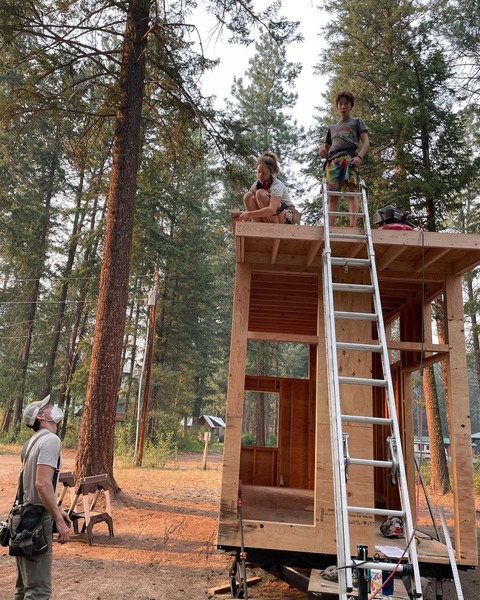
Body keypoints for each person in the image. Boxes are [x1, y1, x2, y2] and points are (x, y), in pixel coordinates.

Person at [13, 395, 71, 600]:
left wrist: (57, 509)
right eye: (48, 407)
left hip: (23, 517)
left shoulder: (31, 442)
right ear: (41, 416)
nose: (53, 408)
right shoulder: (51, 440)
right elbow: (42, 483)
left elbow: (33, 485)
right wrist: (57, 518)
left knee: (23, 589)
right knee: (39, 592)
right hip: (36, 519)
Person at [319, 91, 369, 227]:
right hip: (333, 161)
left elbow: (366, 142)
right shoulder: (332, 128)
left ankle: (352, 225)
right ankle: (330, 228)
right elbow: (326, 147)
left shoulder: (357, 122)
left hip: (349, 157)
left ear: (351, 105)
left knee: (351, 190)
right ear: (337, 106)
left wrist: (359, 157)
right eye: (340, 104)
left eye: (346, 103)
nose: (343, 107)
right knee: (332, 195)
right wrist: (322, 149)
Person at [239, 152, 296, 224]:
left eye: (264, 173)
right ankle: (260, 226)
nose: (260, 175)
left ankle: (275, 228)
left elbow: (272, 209)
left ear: (271, 172)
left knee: (260, 194)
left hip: (285, 218)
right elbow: (249, 204)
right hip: (268, 217)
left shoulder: (277, 185)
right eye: (258, 172)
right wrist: (242, 221)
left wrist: (249, 214)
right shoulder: (257, 184)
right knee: (248, 196)